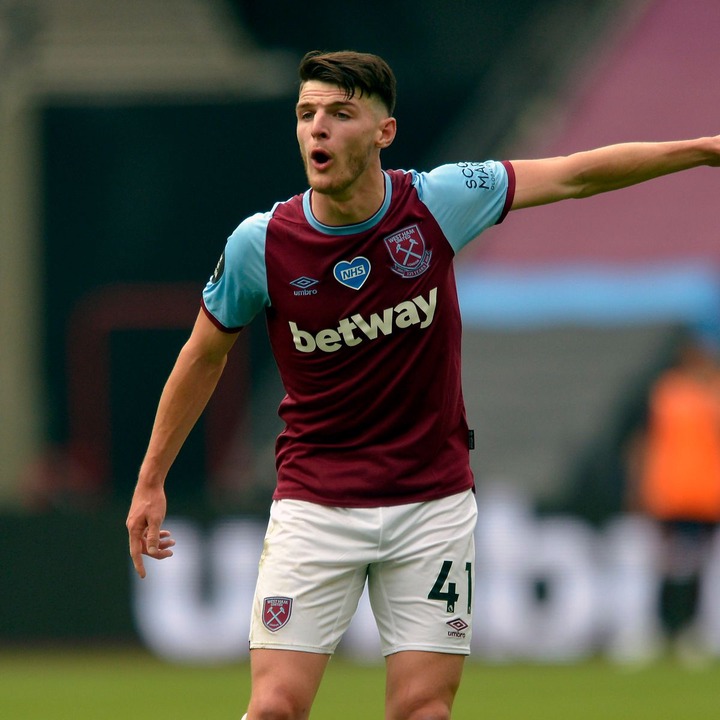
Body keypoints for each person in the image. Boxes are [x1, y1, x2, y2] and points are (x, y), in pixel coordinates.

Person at [126, 49, 720, 719]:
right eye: (306, 113)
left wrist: (702, 149)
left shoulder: (439, 202)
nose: (318, 127)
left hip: (431, 506)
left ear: (385, 132)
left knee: (424, 711)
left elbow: (575, 174)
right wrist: (151, 480)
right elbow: (203, 356)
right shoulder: (259, 245)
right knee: (274, 709)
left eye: (340, 113)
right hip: (315, 505)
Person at [627, 335, 720, 661]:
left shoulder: (714, 392)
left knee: (700, 568)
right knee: (664, 565)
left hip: (708, 496)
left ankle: (693, 630)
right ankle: (657, 628)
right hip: (670, 493)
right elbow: (642, 440)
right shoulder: (666, 392)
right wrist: (637, 485)